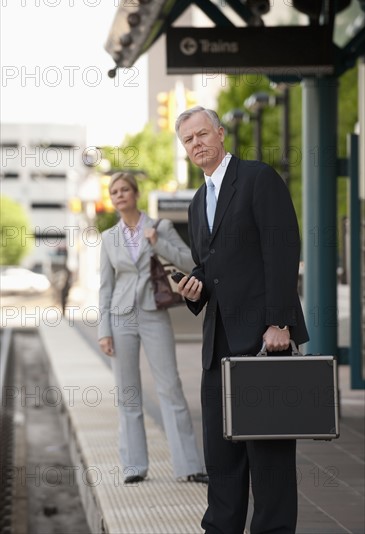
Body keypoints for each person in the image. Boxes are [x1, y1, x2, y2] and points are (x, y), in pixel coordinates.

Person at [174, 106, 309, 534]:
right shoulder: (197, 203)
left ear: (220, 132)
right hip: (218, 348)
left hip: (264, 341)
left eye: (201, 134)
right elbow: (210, 268)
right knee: (223, 458)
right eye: (188, 140)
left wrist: (279, 323)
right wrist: (194, 287)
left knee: (268, 459)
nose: (196, 144)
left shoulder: (257, 178)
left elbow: (283, 251)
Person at [98, 171, 207, 484]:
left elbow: (188, 261)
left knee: (170, 386)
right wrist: (103, 330)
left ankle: (188, 466)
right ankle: (134, 466)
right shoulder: (108, 239)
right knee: (127, 393)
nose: (119, 195)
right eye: (114, 191)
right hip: (120, 317)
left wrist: (158, 244)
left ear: (135, 194)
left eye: (124, 190)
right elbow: (105, 288)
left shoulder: (161, 227)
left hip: (153, 313)